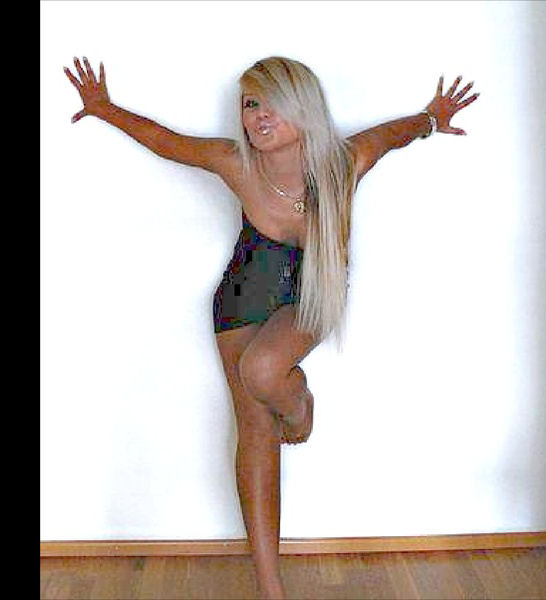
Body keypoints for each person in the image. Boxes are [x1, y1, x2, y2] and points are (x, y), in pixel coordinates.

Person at [64, 55, 478, 599]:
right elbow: (167, 142)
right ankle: (270, 587)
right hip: (244, 290)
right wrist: (103, 108)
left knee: (263, 371)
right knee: (255, 427)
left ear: (303, 108)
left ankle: (298, 403)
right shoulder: (235, 163)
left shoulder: (345, 161)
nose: (258, 115)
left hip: (313, 293)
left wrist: (431, 119)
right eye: (250, 103)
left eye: (272, 103)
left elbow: (395, 134)